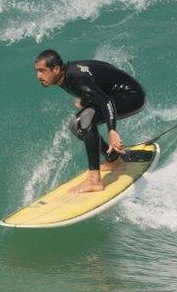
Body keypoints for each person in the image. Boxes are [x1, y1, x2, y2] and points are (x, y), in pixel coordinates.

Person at [34, 49, 146, 194]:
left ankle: (94, 181)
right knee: (76, 125)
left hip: (132, 96)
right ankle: (113, 160)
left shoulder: (77, 80)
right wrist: (86, 99)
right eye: (37, 71)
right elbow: (100, 78)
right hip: (113, 94)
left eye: (42, 71)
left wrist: (112, 130)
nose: (38, 76)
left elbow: (106, 101)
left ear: (56, 69)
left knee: (85, 119)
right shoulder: (67, 73)